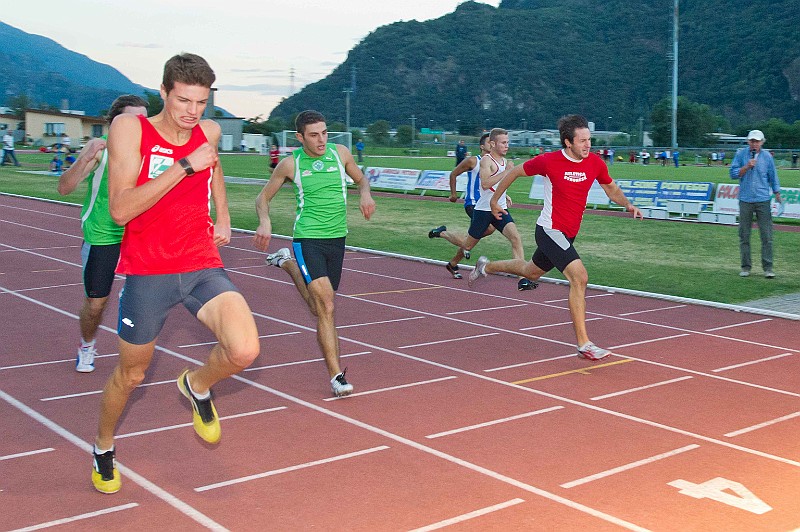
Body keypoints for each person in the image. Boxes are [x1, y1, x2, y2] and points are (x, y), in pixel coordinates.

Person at [91, 53, 260, 494]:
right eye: (184, 100)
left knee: (244, 350)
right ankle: (103, 448)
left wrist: (223, 215)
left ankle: (196, 385)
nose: (192, 112)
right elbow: (121, 208)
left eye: (202, 102)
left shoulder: (209, 131)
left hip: (200, 261)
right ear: (163, 92)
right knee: (130, 375)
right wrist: (184, 165)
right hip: (148, 271)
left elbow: (213, 167)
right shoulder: (131, 130)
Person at [469, 115, 642, 361]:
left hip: (568, 235)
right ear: (567, 142)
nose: (588, 145)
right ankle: (584, 344)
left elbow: (610, 187)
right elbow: (515, 172)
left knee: (530, 272)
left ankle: (486, 266)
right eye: (582, 141)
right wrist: (496, 200)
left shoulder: (594, 163)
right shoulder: (549, 161)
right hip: (549, 231)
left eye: (589, 140)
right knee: (579, 277)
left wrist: (628, 205)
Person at [254, 110, 375, 397]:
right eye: (313, 135)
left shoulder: (340, 153)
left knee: (317, 307)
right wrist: (265, 220)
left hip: (338, 239)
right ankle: (336, 376)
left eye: (324, 133)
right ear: (300, 137)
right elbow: (262, 198)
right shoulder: (289, 164)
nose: (321, 140)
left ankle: (286, 263)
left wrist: (366, 193)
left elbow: (361, 180)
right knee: (327, 306)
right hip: (308, 238)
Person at [57, 95, 148, 373]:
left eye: (144, 119)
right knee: (96, 304)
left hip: (140, 234)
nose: (140, 125)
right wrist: (84, 156)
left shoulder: (153, 152)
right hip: (103, 234)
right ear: (114, 124)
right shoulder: (101, 151)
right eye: (133, 120)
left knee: (148, 300)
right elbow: (64, 188)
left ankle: (135, 351)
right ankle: (87, 345)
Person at [431, 128, 532, 290]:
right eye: (503, 143)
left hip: (499, 208)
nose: (507, 146)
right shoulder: (486, 161)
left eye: (508, 142)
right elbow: (485, 184)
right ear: (492, 144)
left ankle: (522, 279)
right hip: (483, 210)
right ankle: (442, 233)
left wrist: (504, 194)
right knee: (467, 245)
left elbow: (500, 183)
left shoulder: (505, 162)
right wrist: (506, 172)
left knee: (515, 238)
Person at [427, 133, 490, 276]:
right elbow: (453, 174)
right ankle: (455, 244)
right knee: (487, 229)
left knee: (470, 239)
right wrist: (454, 194)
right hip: (473, 204)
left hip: (486, 205)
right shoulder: (473, 161)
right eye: (489, 142)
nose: (492, 145)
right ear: (482, 146)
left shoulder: (494, 163)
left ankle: (452, 260)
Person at [729, 129, 782, 278]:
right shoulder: (741, 155)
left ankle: (768, 268)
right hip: (745, 199)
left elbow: (773, 176)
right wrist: (746, 166)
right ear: (748, 141)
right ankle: (746, 267)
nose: (754, 144)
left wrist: (777, 192)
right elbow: (733, 174)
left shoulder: (767, 157)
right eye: (752, 141)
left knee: (766, 235)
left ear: (762, 142)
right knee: (744, 235)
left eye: (757, 141)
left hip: (762, 200)